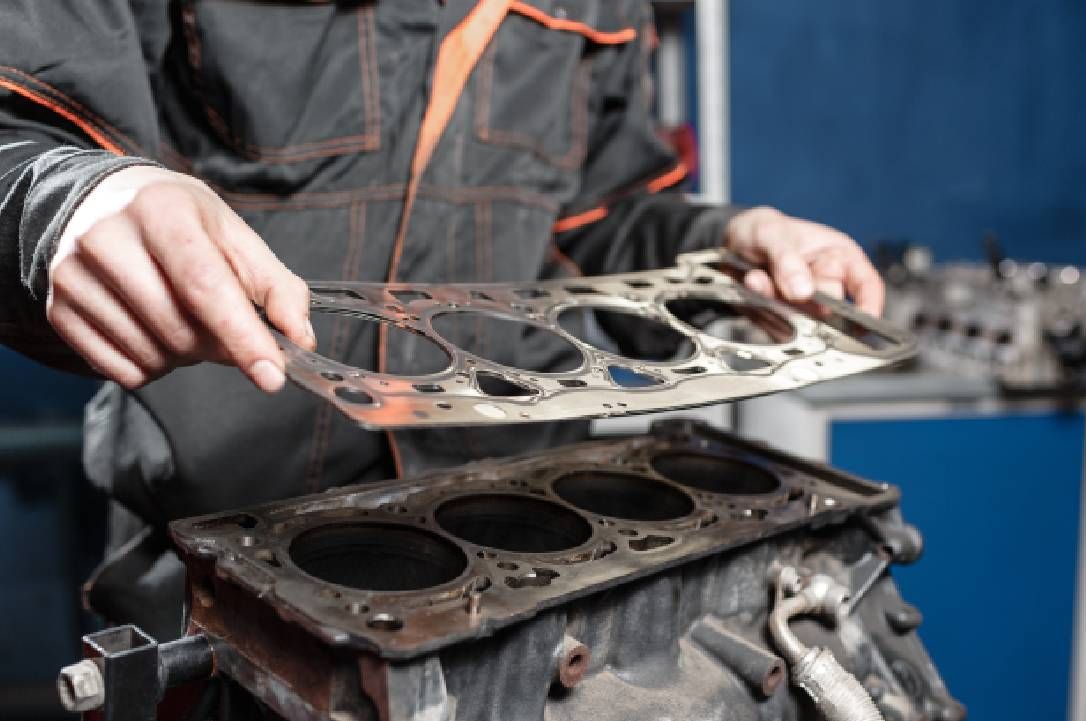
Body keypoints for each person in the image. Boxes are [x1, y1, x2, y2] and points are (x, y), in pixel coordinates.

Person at [0, 0, 883, 640]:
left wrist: (727, 249)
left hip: (530, 555)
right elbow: (18, 132)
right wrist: (68, 203)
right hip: (225, 566)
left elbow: (594, 218)